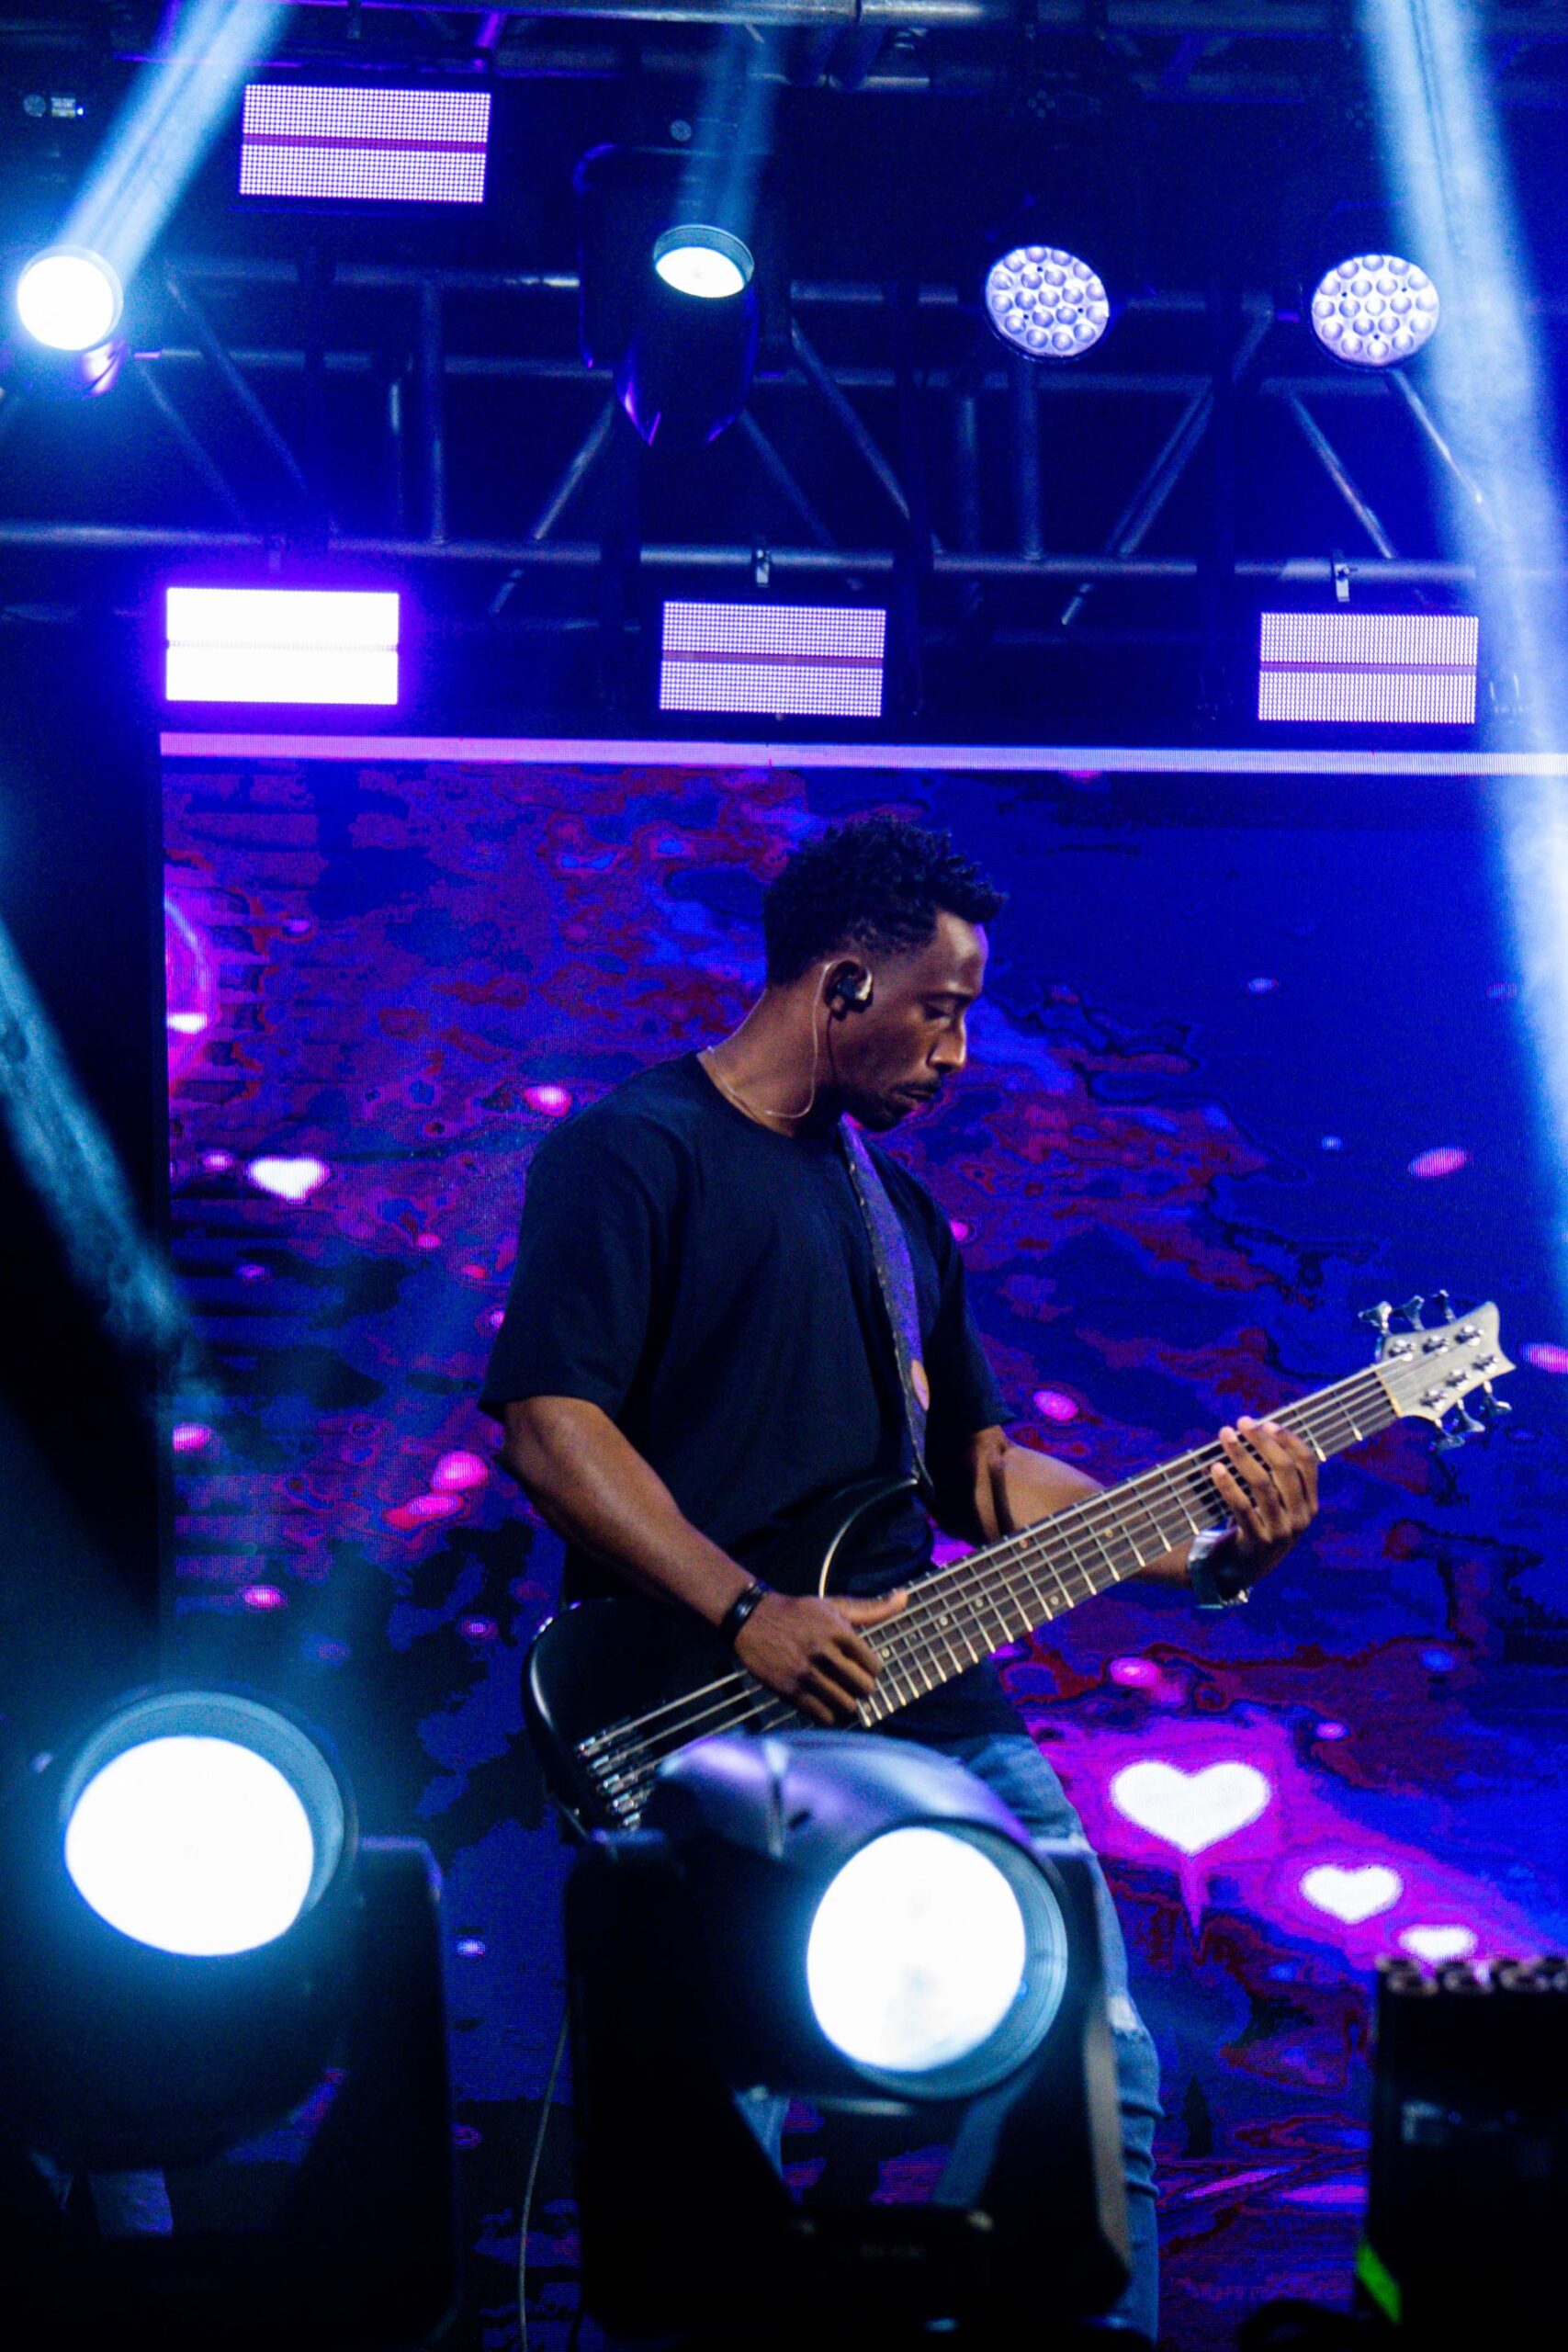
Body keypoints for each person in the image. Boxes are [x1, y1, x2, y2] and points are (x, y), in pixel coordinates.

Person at [481, 814, 1318, 2345]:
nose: (959, 1050)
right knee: (705, 2119)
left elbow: (981, 1476)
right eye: (942, 1009)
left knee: (1097, 2071)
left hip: (927, 1696)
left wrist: (1210, 1546)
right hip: (704, 1712)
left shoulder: (897, 1212)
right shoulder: (632, 1152)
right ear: (844, 983)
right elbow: (551, 1424)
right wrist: (746, 1611)